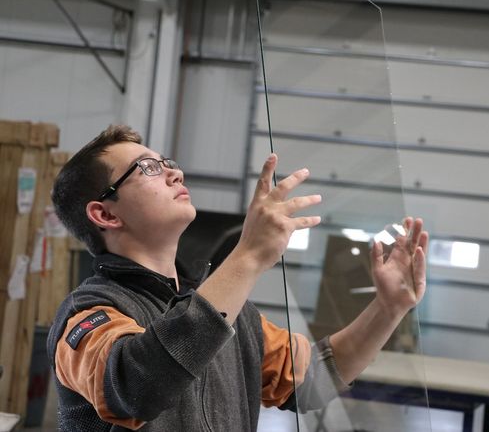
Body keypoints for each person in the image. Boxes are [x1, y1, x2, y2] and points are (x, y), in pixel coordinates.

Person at [47, 125, 428, 431]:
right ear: (106, 215)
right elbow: (135, 388)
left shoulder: (231, 313)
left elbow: (315, 377)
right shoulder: (87, 315)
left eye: (167, 162)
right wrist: (248, 255)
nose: (175, 173)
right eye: (147, 169)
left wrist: (389, 308)